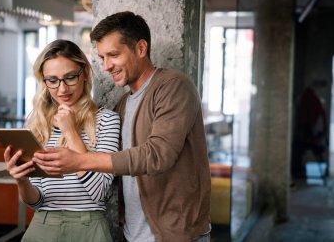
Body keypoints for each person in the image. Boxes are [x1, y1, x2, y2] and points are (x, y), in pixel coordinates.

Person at [33, 12, 211, 242]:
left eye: (113, 55)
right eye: (102, 57)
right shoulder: (123, 105)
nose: (107, 66)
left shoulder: (173, 86)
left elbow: (157, 155)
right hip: (132, 234)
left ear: (140, 48)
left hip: (176, 235)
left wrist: (79, 160)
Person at [4, 39, 120, 242]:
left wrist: (70, 131)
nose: (62, 89)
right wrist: (21, 181)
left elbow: (99, 191)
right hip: (43, 224)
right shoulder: (37, 125)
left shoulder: (107, 120)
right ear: (44, 81)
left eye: (70, 77)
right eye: (53, 80)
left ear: (84, 73)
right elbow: (37, 201)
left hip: (90, 226)